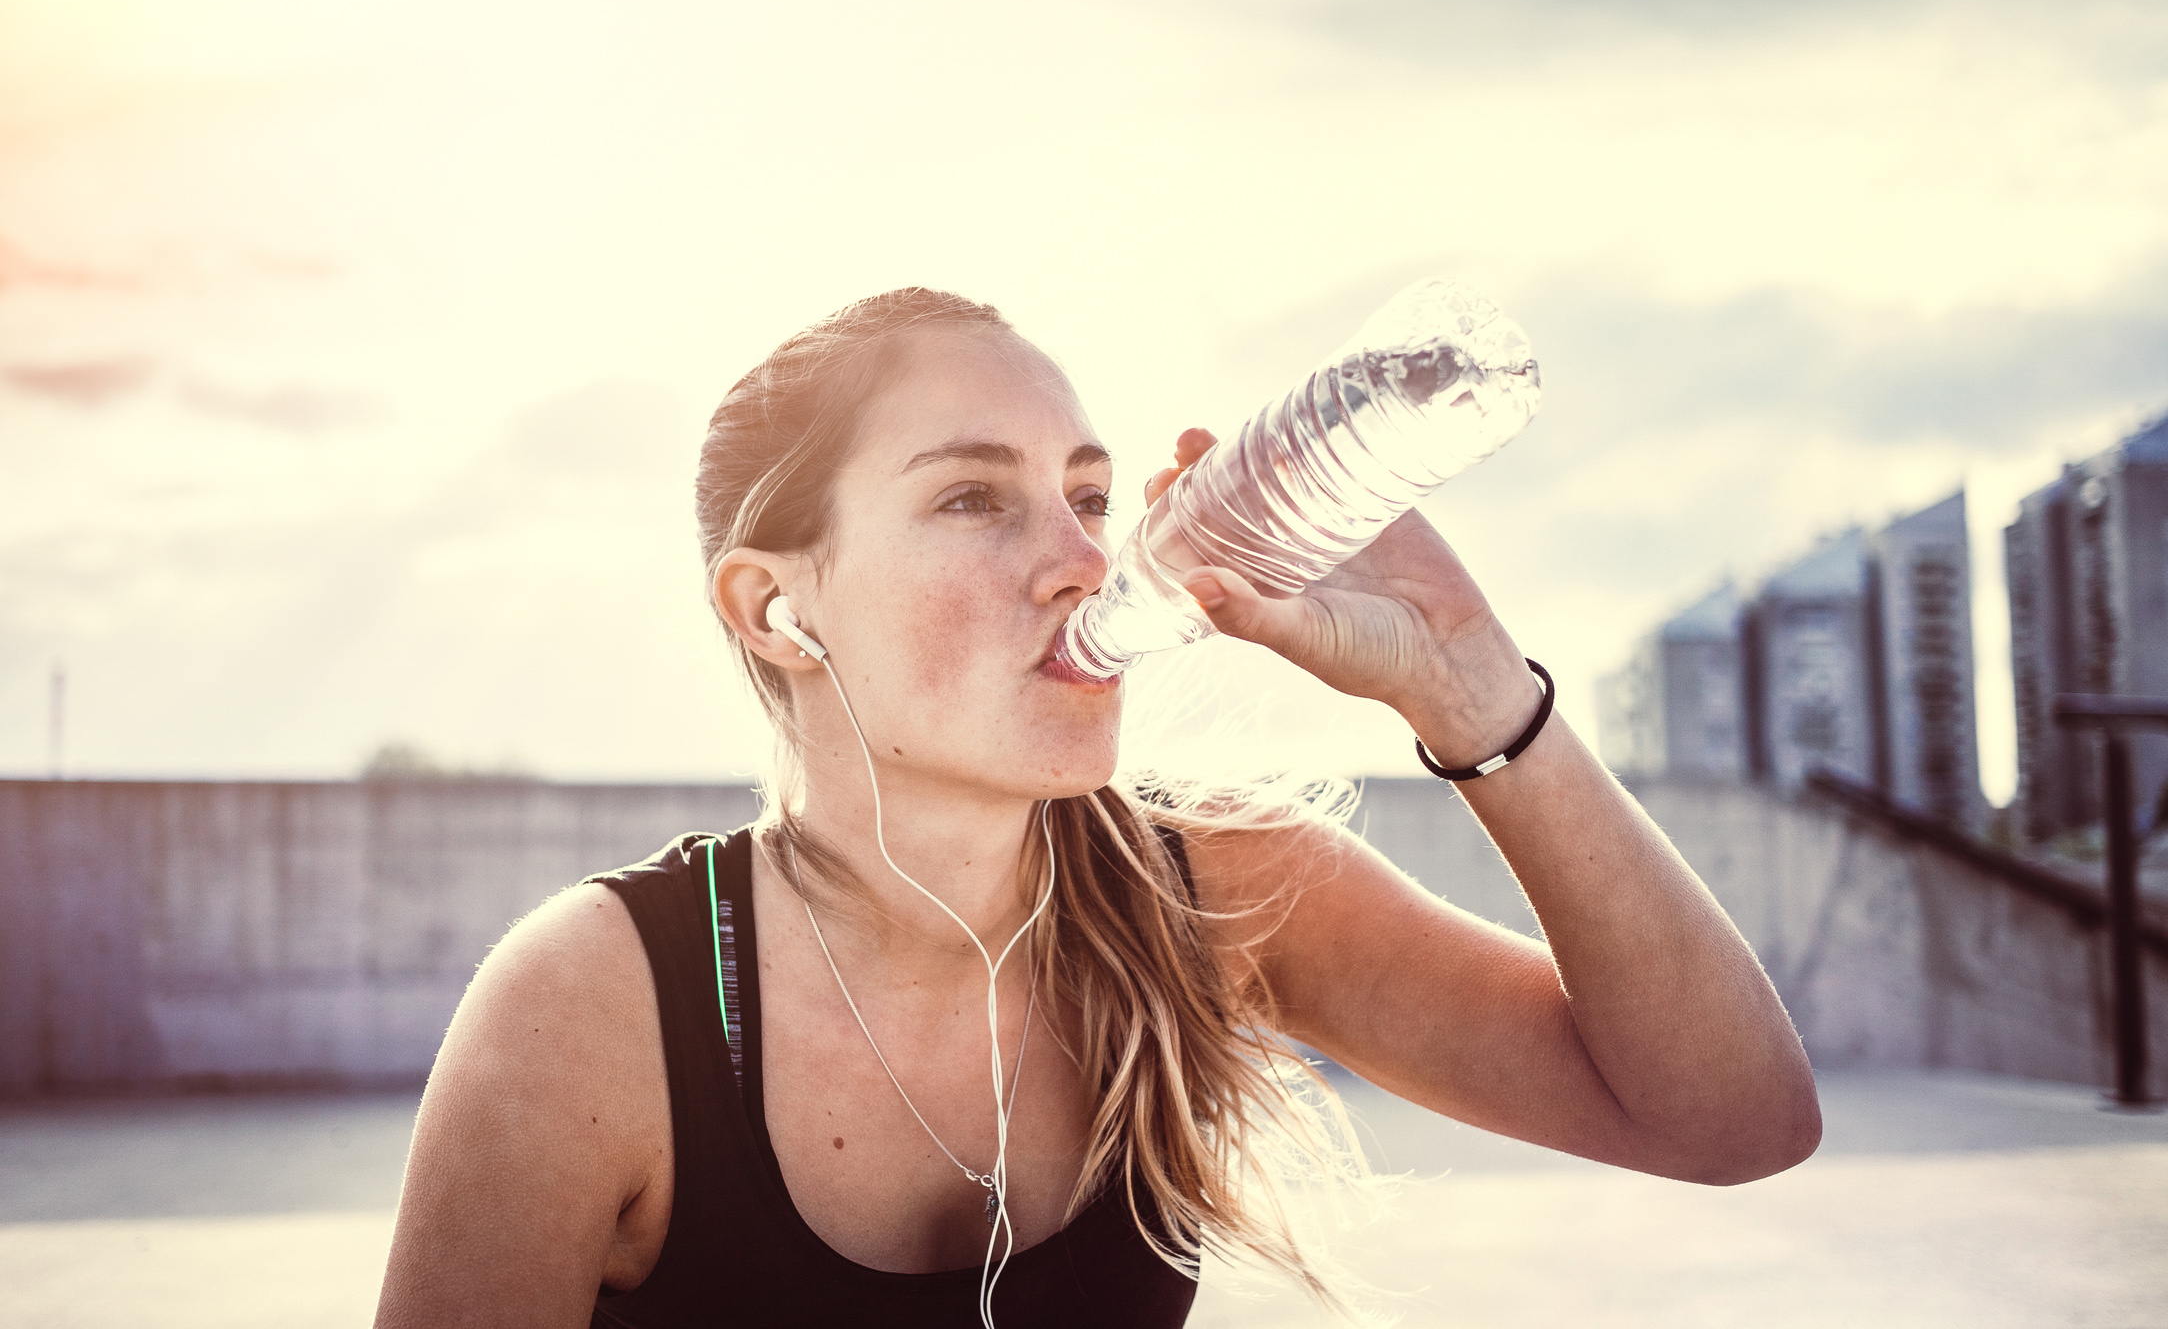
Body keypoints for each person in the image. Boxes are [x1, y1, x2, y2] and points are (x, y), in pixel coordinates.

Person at [374, 288, 1821, 1328]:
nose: (1080, 557)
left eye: (1086, 496)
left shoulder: (1218, 895)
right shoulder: (597, 1005)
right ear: (777, 607)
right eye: (971, 500)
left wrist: (1473, 688)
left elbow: (1733, 1119)